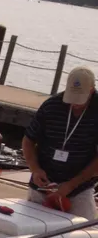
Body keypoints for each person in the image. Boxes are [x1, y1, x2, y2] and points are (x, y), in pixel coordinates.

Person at [23, 66, 98, 221]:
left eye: (80, 99)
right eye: (72, 97)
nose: (75, 104)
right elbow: (28, 140)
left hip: (80, 189)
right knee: (31, 231)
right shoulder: (51, 106)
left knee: (82, 235)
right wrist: (35, 169)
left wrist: (71, 185)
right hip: (43, 185)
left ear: (91, 91)